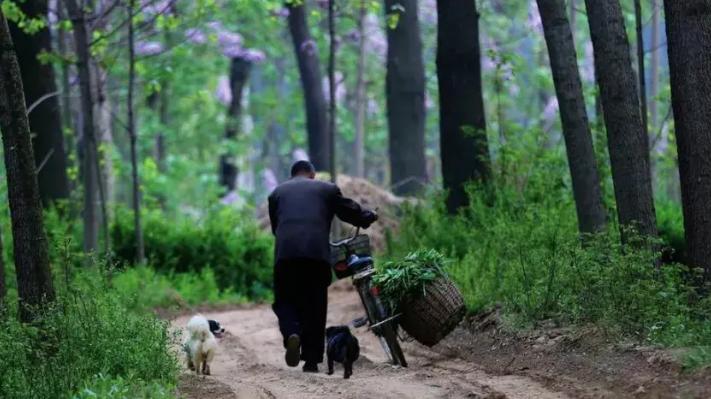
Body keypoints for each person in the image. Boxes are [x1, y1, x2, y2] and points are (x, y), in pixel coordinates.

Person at [268, 160, 377, 372]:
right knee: (315, 306)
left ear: (292, 176)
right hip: (316, 255)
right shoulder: (326, 189)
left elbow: (276, 227)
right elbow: (349, 211)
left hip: (286, 255)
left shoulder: (276, 193)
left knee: (284, 300)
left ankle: (292, 332)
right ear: (313, 175)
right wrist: (367, 217)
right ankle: (311, 361)